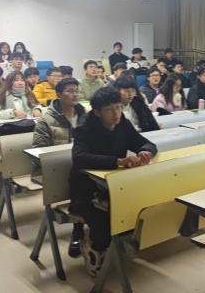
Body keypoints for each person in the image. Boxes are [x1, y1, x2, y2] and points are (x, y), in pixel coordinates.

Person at [70, 87, 157, 276]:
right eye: (109, 110)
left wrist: (146, 151)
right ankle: (93, 248)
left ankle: (116, 247)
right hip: (85, 189)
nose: (116, 114)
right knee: (104, 224)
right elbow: (79, 157)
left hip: (114, 186)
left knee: (136, 209)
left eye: (118, 108)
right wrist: (118, 161)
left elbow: (146, 143)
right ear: (97, 112)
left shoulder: (122, 123)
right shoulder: (85, 127)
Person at [33, 77, 87, 258]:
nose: (74, 94)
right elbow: (39, 152)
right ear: (58, 95)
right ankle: (78, 231)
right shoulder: (47, 120)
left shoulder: (85, 115)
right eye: (70, 91)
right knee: (83, 183)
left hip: (81, 165)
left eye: (76, 91)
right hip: (56, 169)